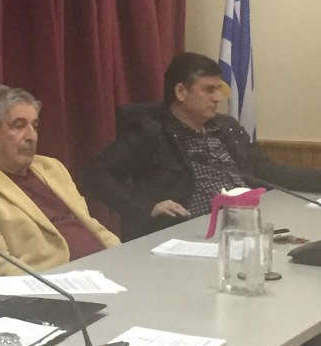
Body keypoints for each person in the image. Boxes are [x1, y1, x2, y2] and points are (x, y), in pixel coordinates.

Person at [85, 52, 321, 241]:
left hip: (246, 225)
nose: (217, 98)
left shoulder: (226, 128)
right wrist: (146, 206)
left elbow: (267, 172)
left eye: (218, 89)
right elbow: (95, 174)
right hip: (189, 235)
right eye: (209, 90)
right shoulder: (152, 133)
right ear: (181, 92)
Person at [0, 84, 120, 287]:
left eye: (34, 126)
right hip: (61, 290)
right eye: (18, 126)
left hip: (108, 271)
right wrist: (70, 287)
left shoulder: (52, 167)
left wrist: (124, 257)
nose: (31, 136)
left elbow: (92, 226)